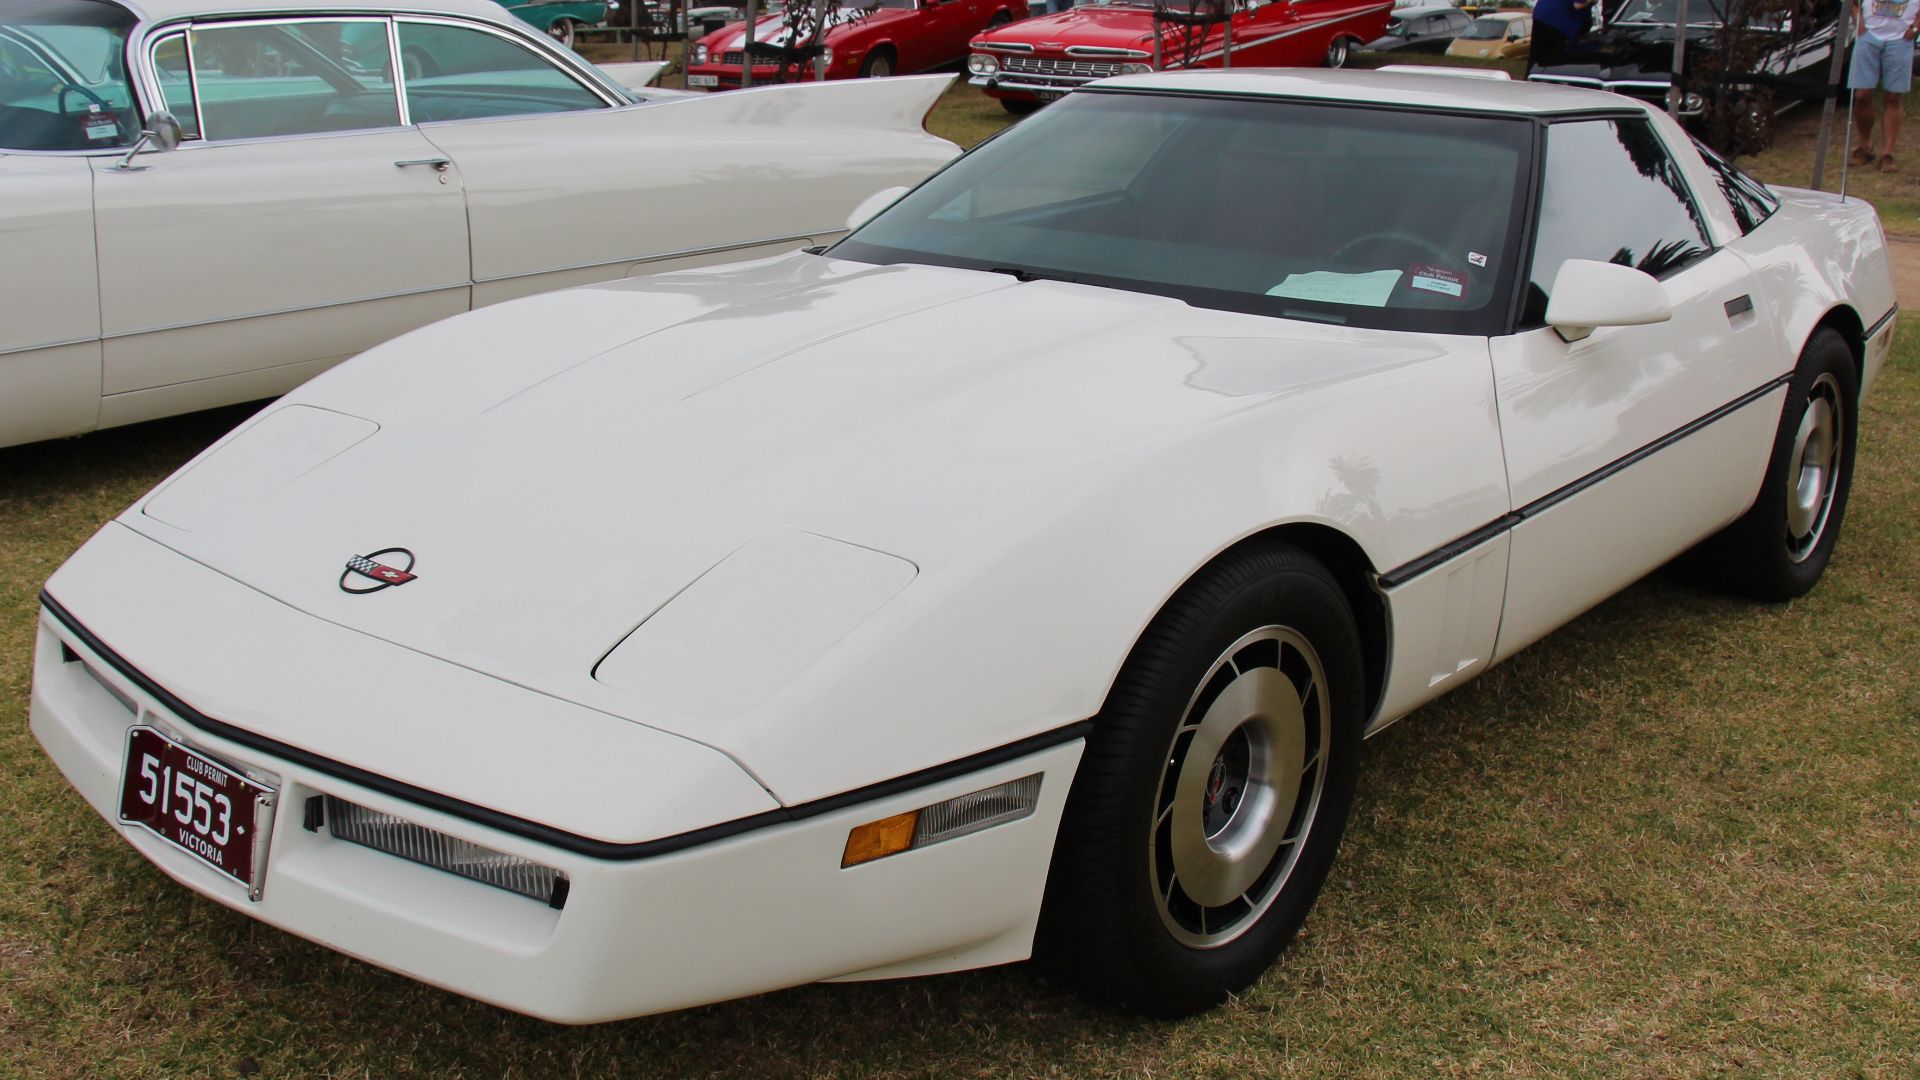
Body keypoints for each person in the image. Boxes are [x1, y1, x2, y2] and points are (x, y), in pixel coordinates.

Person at [1851, 0, 1920, 172]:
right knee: (1862, 94)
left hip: (1901, 38)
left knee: (1894, 96)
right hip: (1869, 36)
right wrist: (1858, 23)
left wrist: (1915, 29)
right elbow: (1852, 3)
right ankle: (1865, 145)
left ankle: (1887, 153)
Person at [1530, 0, 1595, 74]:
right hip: (1556, 20)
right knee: (1552, 58)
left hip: (1541, 13)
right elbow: (1577, 5)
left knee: (1537, 57)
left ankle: (1529, 79)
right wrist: (1590, 2)